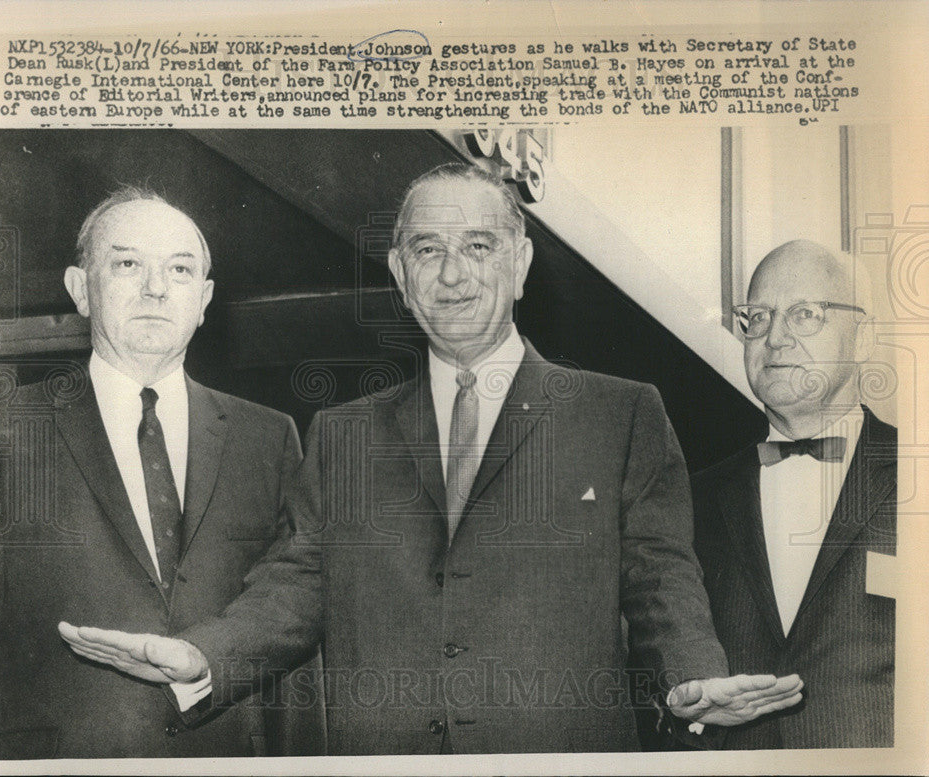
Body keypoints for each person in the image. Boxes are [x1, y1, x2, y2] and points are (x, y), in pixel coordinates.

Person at [59, 165, 803, 754]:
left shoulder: (621, 413)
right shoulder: (341, 435)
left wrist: (695, 679)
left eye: (478, 247)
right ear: (399, 273)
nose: (452, 274)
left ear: (521, 262)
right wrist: (203, 658)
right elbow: (291, 589)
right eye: (427, 250)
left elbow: (662, 581)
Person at [0, 188, 324, 758]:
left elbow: (293, 615)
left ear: (205, 298)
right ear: (79, 289)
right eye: (127, 263)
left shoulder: (270, 437)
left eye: (180, 269)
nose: (157, 288)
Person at [687, 240, 897, 748]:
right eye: (757, 317)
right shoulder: (694, 497)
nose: (775, 339)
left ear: (863, 338)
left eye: (805, 315)